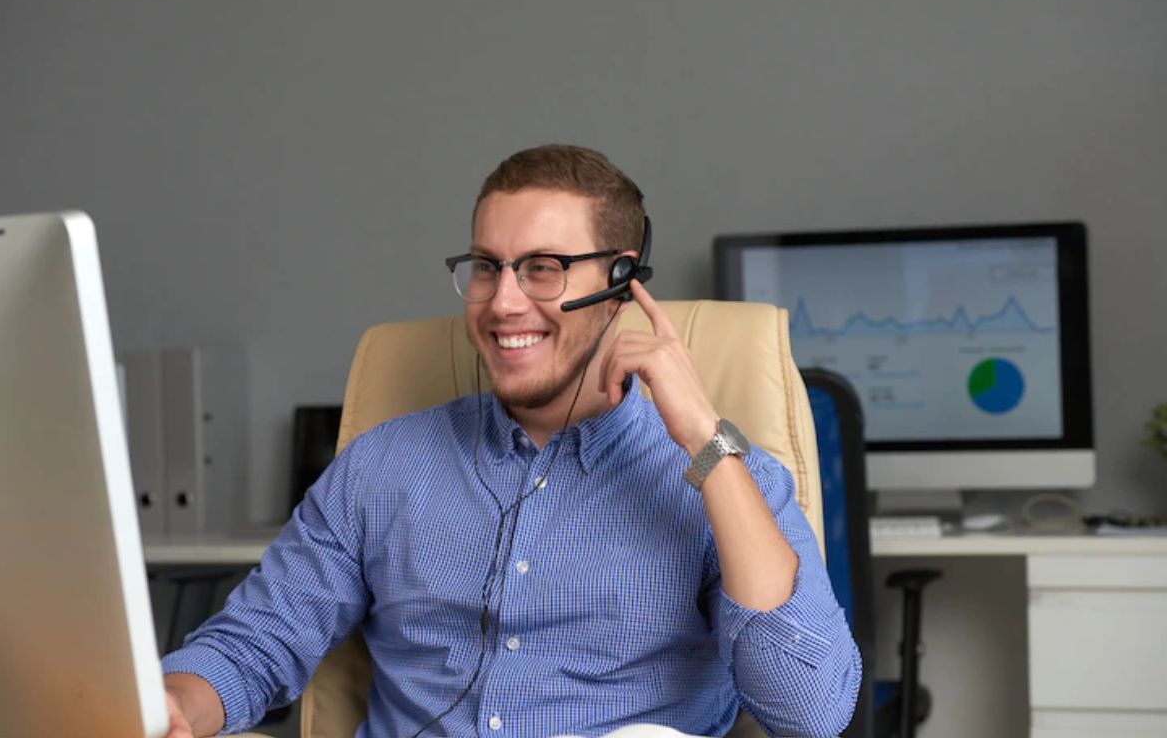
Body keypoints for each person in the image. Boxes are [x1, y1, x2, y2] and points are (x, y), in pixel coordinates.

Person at [162, 145, 861, 738]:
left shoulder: (732, 481)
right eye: (488, 267)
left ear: (619, 283)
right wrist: (173, 707)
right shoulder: (381, 468)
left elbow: (809, 712)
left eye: (542, 269)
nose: (502, 302)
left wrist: (706, 443)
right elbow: (255, 642)